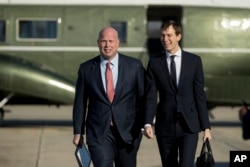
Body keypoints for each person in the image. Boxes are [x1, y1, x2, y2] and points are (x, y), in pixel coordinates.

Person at [72, 27, 145, 167]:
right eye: (104, 41)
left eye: (111, 41)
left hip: (128, 132)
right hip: (98, 133)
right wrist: (77, 132)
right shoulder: (86, 69)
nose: (107, 45)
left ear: (118, 43)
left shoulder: (134, 66)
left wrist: (145, 123)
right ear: (98, 43)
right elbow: (80, 103)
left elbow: (144, 98)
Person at [143, 20, 212, 167]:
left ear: (178, 36)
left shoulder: (194, 61)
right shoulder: (155, 63)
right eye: (162, 36)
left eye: (169, 35)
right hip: (165, 126)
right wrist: (148, 122)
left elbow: (199, 95)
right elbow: (151, 96)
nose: (165, 39)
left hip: (189, 125)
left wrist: (206, 127)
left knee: (186, 164)